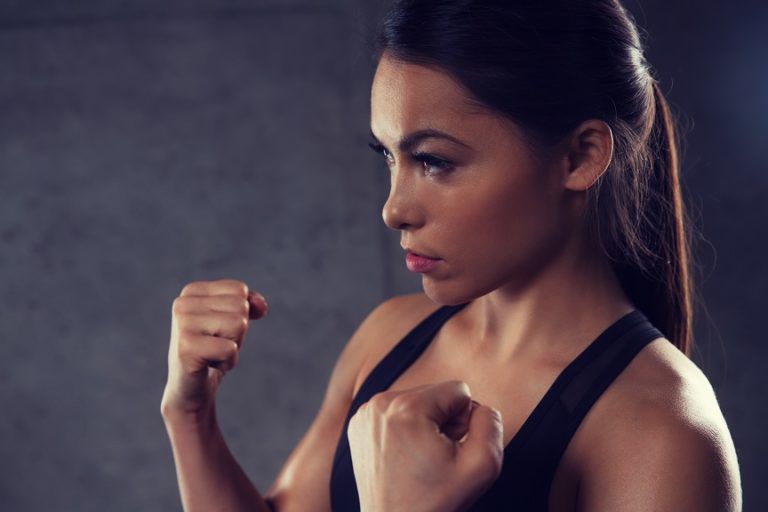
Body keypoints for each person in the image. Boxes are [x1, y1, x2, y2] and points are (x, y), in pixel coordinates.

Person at [160, 0, 742, 511]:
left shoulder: (661, 431)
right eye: (390, 158)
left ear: (580, 156)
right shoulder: (387, 338)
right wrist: (190, 417)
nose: (394, 210)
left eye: (434, 161)